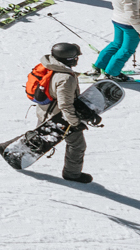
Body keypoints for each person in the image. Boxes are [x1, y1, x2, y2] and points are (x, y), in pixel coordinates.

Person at [27, 42, 96, 183]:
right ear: (70, 59)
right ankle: (72, 174)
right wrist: (75, 123)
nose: (78, 59)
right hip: (59, 118)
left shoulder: (50, 66)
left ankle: (20, 148)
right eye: (76, 57)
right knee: (77, 145)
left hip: (44, 112)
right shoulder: (65, 78)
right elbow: (65, 104)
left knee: (42, 138)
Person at [94, 0, 140, 78]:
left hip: (117, 19)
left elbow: (127, 7)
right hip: (130, 25)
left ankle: (100, 66)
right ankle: (112, 73)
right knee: (126, 50)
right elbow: (132, 17)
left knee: (116, 44)